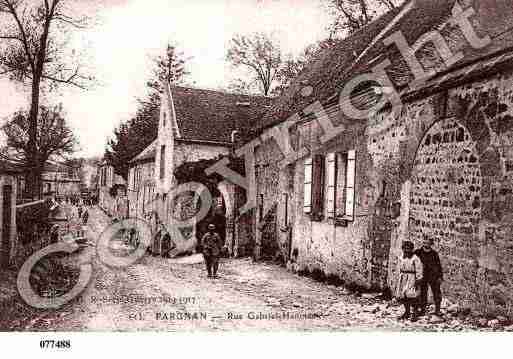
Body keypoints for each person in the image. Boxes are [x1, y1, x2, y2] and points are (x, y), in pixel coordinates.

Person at [415, 236, 443, 316]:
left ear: (431, 244)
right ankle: (422, 309)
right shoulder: (418, 252)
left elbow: (438, 265)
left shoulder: (434, 254)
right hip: (422, 275)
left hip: (433, 275)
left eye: (428, 242)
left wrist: (440, 276)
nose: (425, 244)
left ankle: (437, 310)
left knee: (436, 292)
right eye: (424, 242)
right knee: (423, 292)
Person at [395, 241, 423, 322]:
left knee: (412, 296)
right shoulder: (401, 257)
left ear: (411, 249)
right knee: (403, 295)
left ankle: (414, 313)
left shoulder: (415, 258)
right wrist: (399, 278)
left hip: (412, 278)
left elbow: (419, 269)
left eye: (408, 249)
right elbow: (398, 267)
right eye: (405, 249)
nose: (406, 250)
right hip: (403, 277)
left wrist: (418, 279)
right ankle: (407, 312)